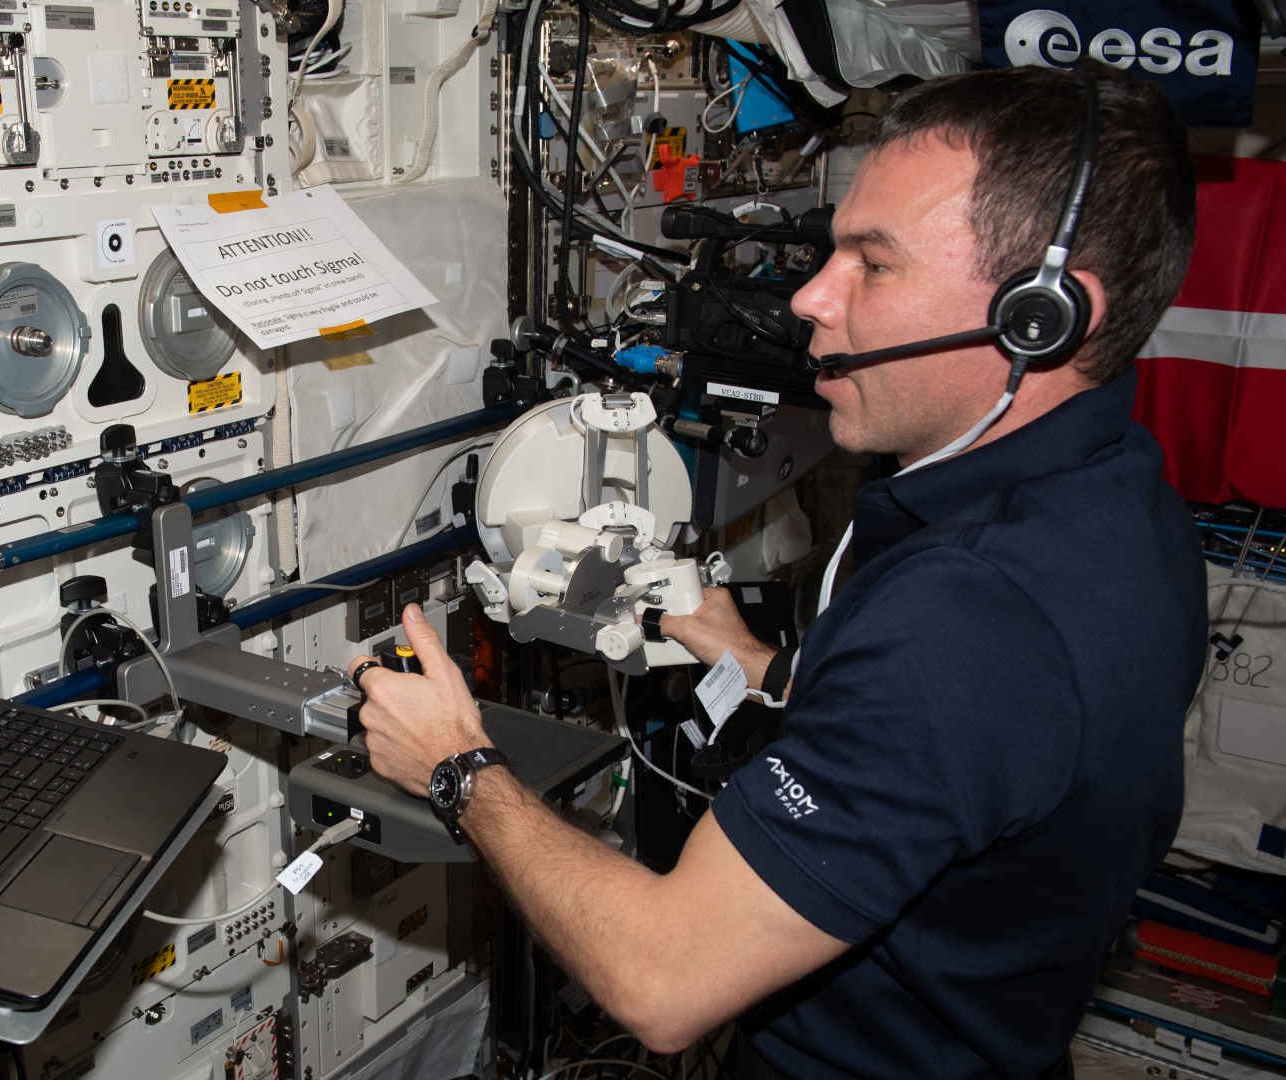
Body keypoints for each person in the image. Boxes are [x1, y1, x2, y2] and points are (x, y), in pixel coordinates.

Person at [347, 62, 1206, 1078]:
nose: (810, 298)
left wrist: (456, 765)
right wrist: (749, 661)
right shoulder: (1119, 501)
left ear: (1044, 315)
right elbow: (967, 760)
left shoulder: (971, 617)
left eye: (871, 265)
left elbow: (661, 981)